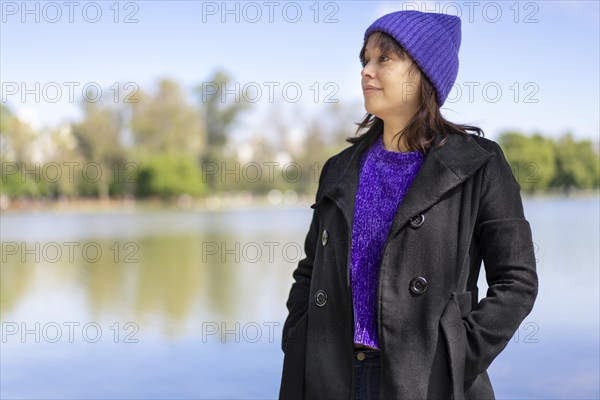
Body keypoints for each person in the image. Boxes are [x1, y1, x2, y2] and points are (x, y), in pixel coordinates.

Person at [279, 9, 538, 400]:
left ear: (425, 74)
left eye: (384, 58)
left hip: (426, 381)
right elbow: (310, 270)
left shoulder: (478, 163)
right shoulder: (339, 169)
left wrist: (455, 355)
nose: (367, 70)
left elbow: (517, 281)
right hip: (330, 377)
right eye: (365, 59)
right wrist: (298, 335)